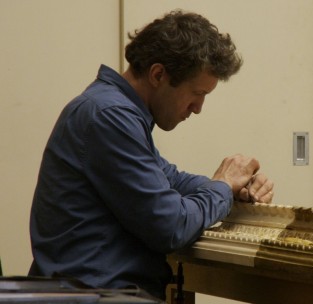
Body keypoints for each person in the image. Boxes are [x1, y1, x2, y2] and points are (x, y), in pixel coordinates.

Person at [28, 9, 274, 300]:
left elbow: (168, 179)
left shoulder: (116, 110)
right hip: (97, 294)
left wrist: (234, 189)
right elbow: (170, 226)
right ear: (158, 74)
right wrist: (220, 187)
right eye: (197, 94)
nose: (198, 108)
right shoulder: (109, 115)